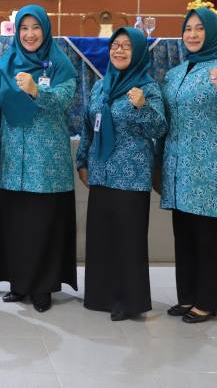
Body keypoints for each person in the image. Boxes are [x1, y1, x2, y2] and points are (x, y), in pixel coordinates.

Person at [158, 4, 217, 323]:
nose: (192, 34)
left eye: (200, 28)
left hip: (213, 165)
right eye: (188, 28)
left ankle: (208, 301)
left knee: (208, 236)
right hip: (179, 166)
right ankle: (187, 296)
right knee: (184, 234)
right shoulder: (175, 73)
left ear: (212, 32)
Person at [0, 4, 77, 313]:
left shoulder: (60, 64)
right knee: (17, 223)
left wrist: (37, 90)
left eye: (35, 27)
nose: (29, 34)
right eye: (23, 28)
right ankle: (19, 282)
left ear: (45, 30)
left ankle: (43, 287)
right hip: (14, 160)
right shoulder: (5, 65)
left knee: (44, 223)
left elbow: (65, 101)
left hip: (47, 163)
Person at [76, 27, 167, 321]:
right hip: (101, 172)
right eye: (115, 45)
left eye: (127, 46)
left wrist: (142, 106)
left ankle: (128, 301)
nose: (119, 50)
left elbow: (159, 128)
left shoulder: (148, 87)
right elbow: (89, 126)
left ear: (138, 51)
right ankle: (101, 295)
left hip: (131, 175)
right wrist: (82, 161)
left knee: (128, 240)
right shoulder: (101, 86)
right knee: (101, 237)